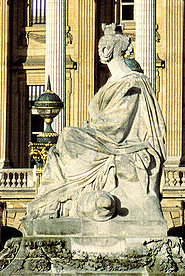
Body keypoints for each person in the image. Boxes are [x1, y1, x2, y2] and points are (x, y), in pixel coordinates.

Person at [26, 24, 167, 220]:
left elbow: (119, 124)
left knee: (67, 135)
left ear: (107, 51)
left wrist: (91, 129)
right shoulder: (113, 82)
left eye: (102, 48)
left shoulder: (133, 82)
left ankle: (52, 203)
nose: (100, 52)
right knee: (60, 146)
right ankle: (50, 203)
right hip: (105, 135)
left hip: (116, 139)